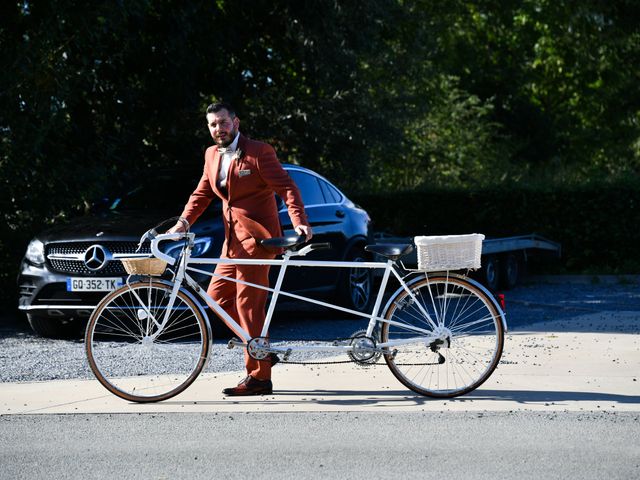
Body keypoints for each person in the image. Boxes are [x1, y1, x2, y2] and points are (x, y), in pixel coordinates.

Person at [169, 102, 312, 396]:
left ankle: (259, 377)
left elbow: (287, 188)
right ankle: (261, 349)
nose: (218, 129)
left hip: (258, 242)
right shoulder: (211, 154)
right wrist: (183, 222)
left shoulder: (260, 152)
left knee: (248, 306)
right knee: (215, 299)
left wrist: (300, 223)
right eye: (212, 125)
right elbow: (203, 193)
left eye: (222, 122)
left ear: (235, 122)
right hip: (231, 243)